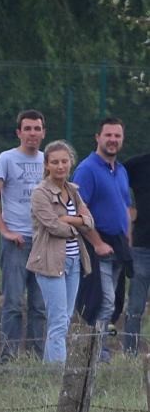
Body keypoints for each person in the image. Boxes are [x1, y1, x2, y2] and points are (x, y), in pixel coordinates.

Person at [0, 109, 47, 362]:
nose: (33, 133)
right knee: (13, 304)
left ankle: (35, 358)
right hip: (17, 243)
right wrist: (4, 230)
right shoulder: (6, 159)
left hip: (43, 243)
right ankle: (8, 358)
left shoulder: (48, 161)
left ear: (43, 132)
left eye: (37, 128)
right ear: (19, 132)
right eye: (28, 128)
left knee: (40, 307)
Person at [71, 117, 133, 360]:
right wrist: (97, 243)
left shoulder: (121, 170)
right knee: (101, 301)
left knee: (115, 302)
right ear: (97, 137)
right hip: (97, 246)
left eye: (117, 136)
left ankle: (98, 350)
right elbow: (79, 209)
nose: (113, 140)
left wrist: (127, 239)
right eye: (108, 135)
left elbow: (126, 208)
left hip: (118, 245)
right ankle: (96, 354)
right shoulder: (87, 169)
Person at [29, 140, 95, 364]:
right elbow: (52, 225)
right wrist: (76, 223)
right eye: (55, 162)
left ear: (71, 163)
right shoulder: (40, 193)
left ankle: (50, 370)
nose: (60, 166)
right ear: (47, 165)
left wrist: (69, 219)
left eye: (64, 161)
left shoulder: (73, 191)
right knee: (57, 321)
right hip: (49, 262)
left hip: (74, 261)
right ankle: (59, 374)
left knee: (64, 320)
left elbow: (89, 222)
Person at [122, 152, 150, 354]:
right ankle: (129, 354)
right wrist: (128, 208)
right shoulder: (137, 164)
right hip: (141, 248)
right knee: (135, 308)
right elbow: (114, 181)